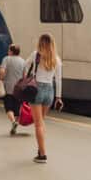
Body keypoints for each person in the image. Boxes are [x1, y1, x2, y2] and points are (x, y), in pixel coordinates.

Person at [27, 34, 63, 164]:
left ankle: (42, 155)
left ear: (40, 43)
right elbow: (58, 80)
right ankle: (40, 149)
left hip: (37, 90)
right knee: (41, 122)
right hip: (50, 91)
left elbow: (25, 66)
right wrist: (59, 97)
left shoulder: (36, 54)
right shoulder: (56, 59)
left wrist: (29, 76)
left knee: (38, 125)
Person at [0, 44, 25, 135]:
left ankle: (13, 122)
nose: (8, 51)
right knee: (17, 109)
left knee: (9, 108)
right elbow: (25, 76)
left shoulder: (6, 59)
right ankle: (15, 125)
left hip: (8, 88)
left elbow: (2, 71)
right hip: (18, 89)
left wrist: (1, 79)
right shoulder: (23, 61)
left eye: (9, 50)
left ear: (11, 51)